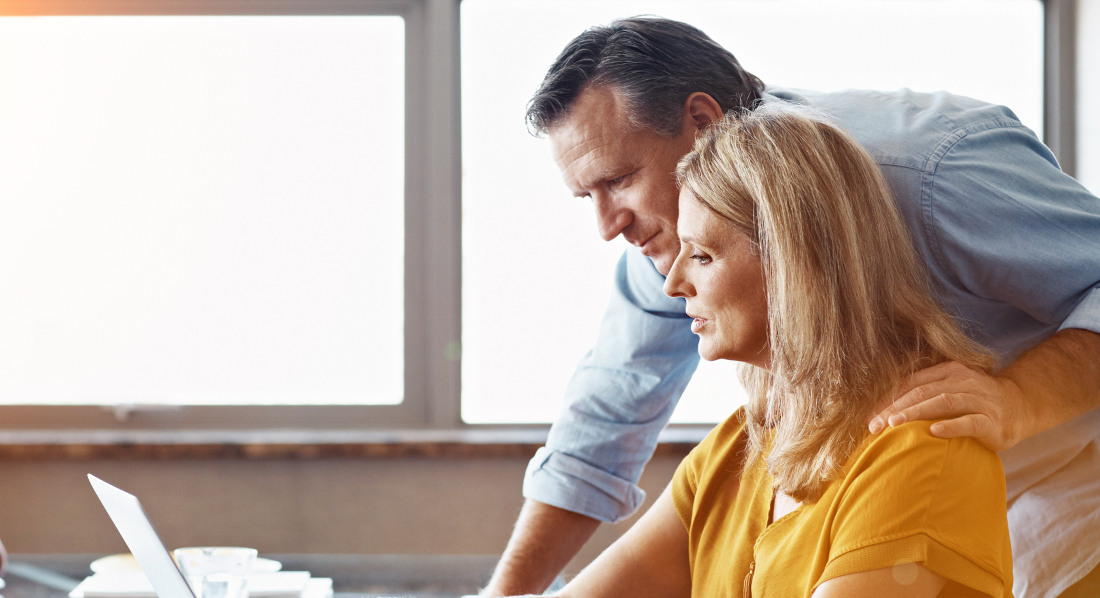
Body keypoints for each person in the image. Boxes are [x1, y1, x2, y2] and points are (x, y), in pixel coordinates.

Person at [481, 17, 1100, 598]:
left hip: (1073, 491)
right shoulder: (671, 232)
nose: (607, 226)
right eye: (585, 195)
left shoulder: (932, 174)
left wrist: (1017, 401)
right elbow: (605, 421)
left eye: (617, 179)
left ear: (700, 119)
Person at [528, 101, 1013, 598]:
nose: (673, 284)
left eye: (701, 255)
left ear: (794, 262)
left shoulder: (922, 454)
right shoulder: (736, 448)